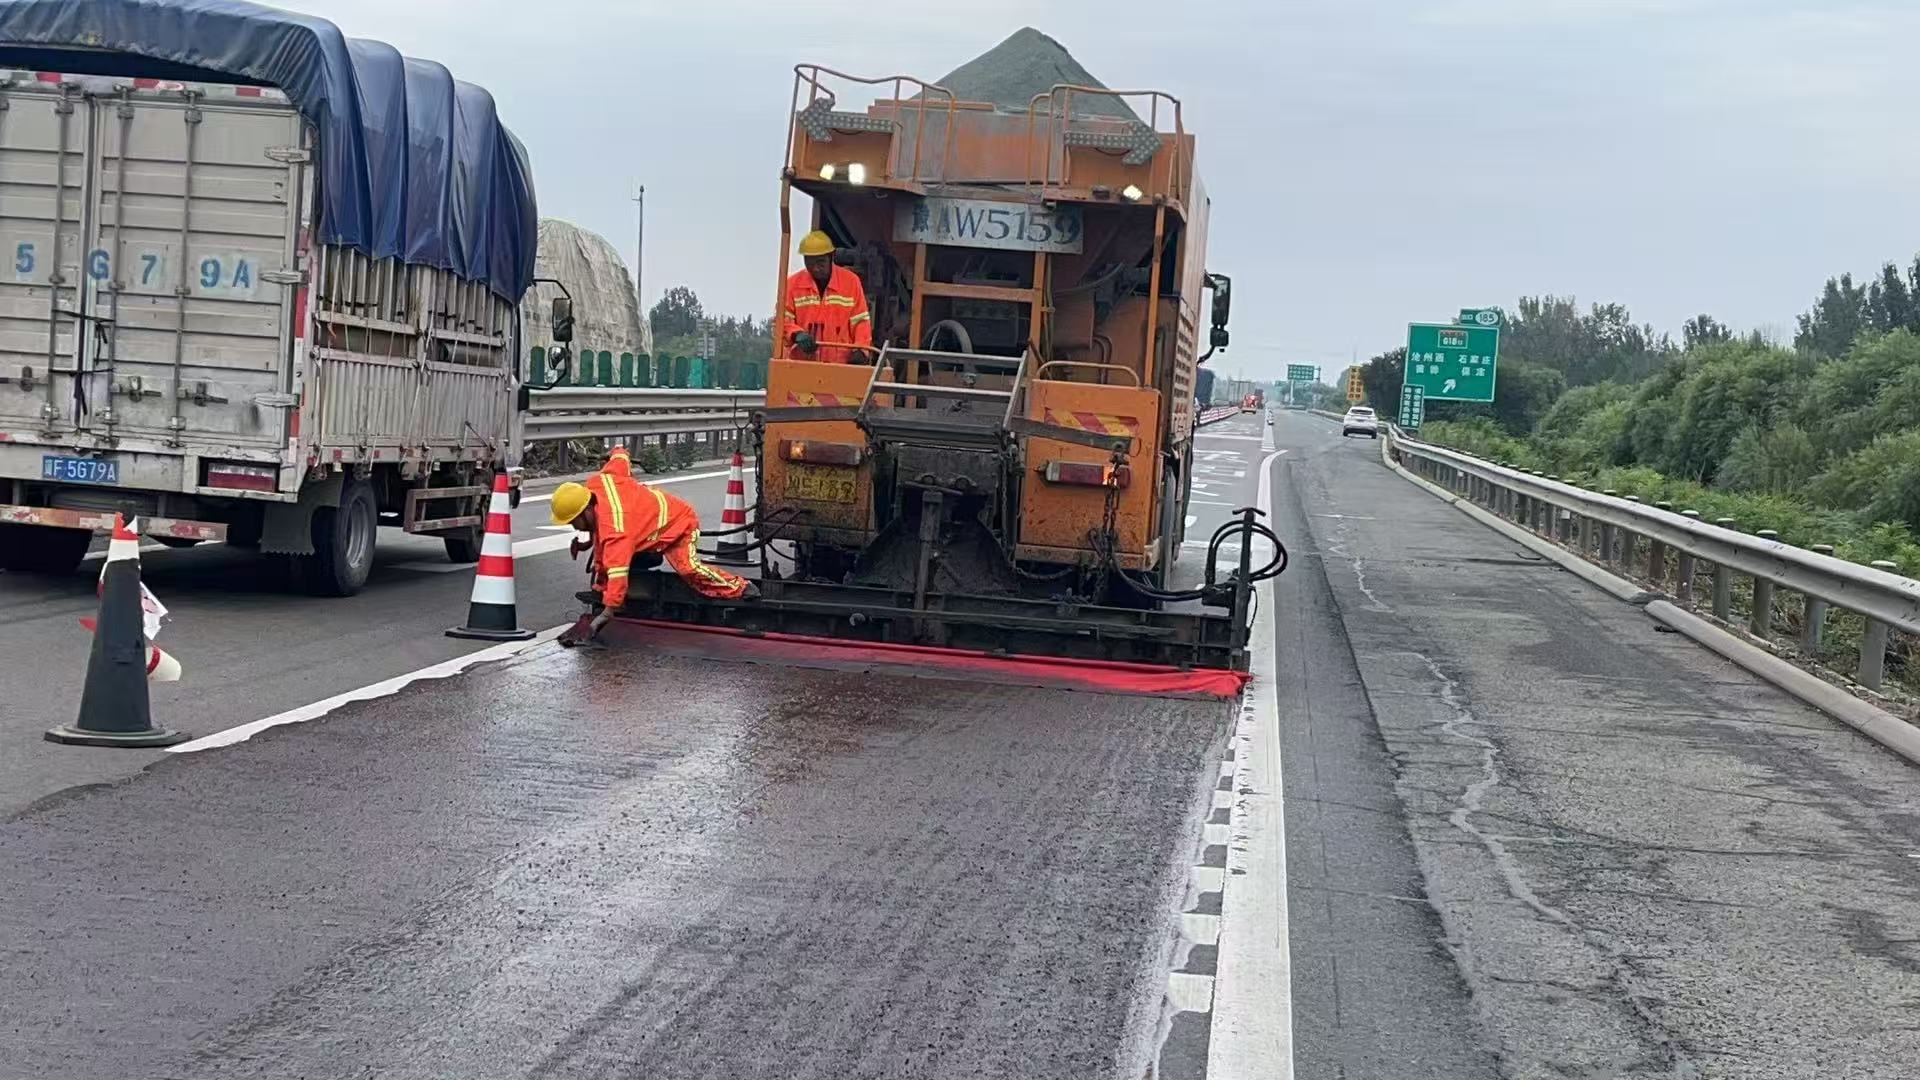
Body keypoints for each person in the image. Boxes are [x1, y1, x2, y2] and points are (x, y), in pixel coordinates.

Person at [552, 445, 756, 645]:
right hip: (648, 528)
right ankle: (606, 591)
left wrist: (608, 612)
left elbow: (617, 571)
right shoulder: (601, 481)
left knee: (689, 569)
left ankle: (740, 587)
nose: (574, 527)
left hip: (679, 524)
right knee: (607, 552)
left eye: (574, 522)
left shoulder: (616, 530)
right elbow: (620, 459)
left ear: (586, 509)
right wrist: (617, 450)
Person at [783, 229, 873, 363]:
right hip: (801, 366)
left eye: (820, 262)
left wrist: (861, 350)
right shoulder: (792, 284)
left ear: (831, 257)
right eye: (810, 263)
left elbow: (861, 322)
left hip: (840, 367)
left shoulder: (851, 282)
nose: (815, 268)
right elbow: (782, 321)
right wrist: (796, 334)